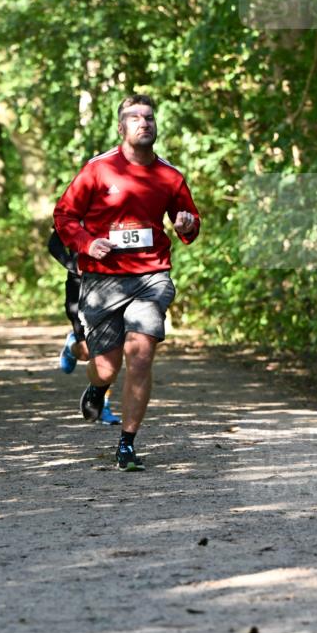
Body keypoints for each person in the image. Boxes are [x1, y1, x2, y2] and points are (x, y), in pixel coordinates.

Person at [53, 93, 200, 471]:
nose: (144, 122)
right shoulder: (98, 170)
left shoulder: (170, 176)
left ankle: (128, 443)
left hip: (151, 278)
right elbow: (64, 215)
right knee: (106, 366)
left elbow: (189, 223)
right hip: (103, 282)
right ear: (121, 128)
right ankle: (98, 387)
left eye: (149, 117)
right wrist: (87, 243)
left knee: (141, 355)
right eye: (135, 117)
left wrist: (187, 225)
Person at [48, 228, 120, 425]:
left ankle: (101, 403)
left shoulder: (119, 205)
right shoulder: (76, 209)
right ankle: (73, 346)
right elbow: (54, 244)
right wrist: (72, 264)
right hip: (79, 287)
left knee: (109, 350)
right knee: (86, 353)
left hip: (114, 286)